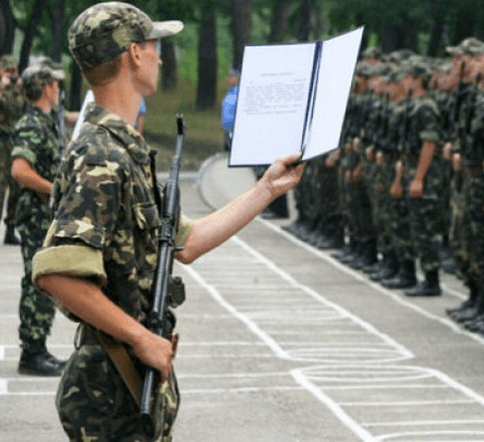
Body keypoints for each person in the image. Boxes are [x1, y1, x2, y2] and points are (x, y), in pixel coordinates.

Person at [31, 2, 305, 440]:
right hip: (112, 388)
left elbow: (187, 242)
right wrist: (140, 337)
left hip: (131, 383)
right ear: (134, 54)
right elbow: (57, 274)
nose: (160, 57)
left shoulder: (124, 150)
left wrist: (267, 189)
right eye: (154, 46)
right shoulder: (101, 155)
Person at [11, 64, 66, 376]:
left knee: (43, 281)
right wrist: (53, 190)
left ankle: (37, 348)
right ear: (45, 88)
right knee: (38, 282)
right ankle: (32, 353)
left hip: (43, 217)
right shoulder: (32, 124)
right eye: (55, 85)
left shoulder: (45, 123)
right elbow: (20, 170)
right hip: (35, 218)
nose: (58, 90)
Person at [0, 54, 24, 245]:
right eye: (8, 71)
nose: (12, 75)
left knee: (15, 189)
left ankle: (10, 229)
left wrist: (20, 88)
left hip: (15, 144)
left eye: (14, 71)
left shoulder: (19, 92)